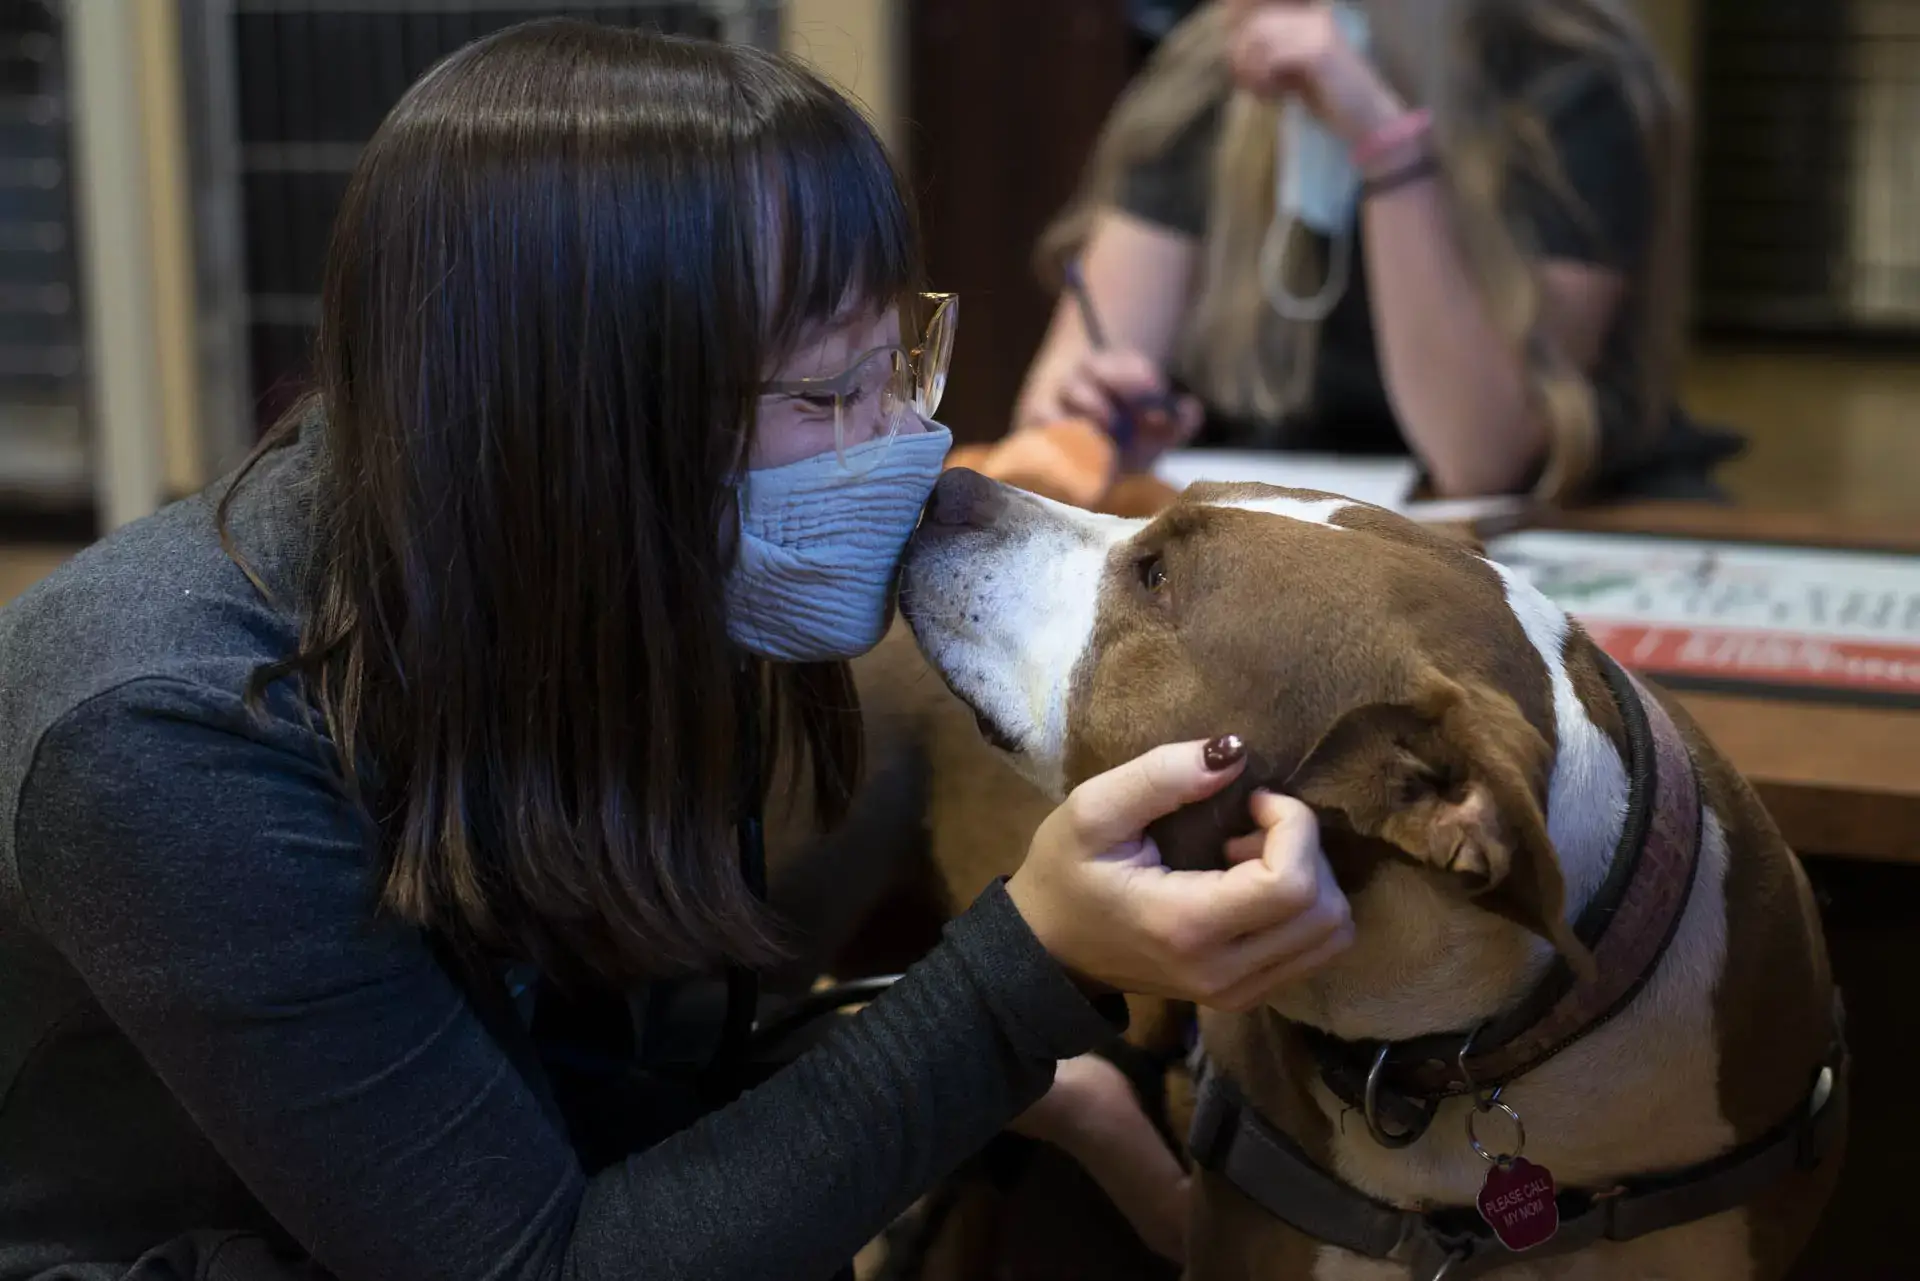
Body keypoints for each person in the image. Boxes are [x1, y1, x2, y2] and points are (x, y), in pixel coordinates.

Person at [0, 22, 1354, 1281]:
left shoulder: (606, 576)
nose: (903, 447)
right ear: (570, 419)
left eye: (902, 366)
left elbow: (633, 1085)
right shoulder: (167, 741)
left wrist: (1072, 1099)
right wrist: (1035, 961)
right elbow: (539, 1261)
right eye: (828, 395)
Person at [1013, 0, 1741, 503]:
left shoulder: (1569, 82)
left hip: (1557, 522)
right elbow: (1057, 410)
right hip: (1288, 525)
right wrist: (1090, 411)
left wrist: (1382, 141)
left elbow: (1478, 456)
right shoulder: (1208, 77)